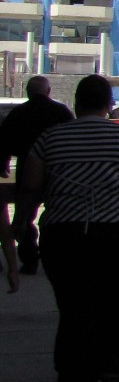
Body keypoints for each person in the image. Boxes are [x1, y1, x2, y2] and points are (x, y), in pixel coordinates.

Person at [16, 74, 119, 382]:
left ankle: (75, 379)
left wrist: (22, 223)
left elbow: (31, 184)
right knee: (115, 300)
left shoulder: (50, 138)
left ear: (76, 104)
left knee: (74, 305)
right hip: (116, 233)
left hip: (64, 233)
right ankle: (116, 366)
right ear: (109, 104)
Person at [0, 75, 74, 274]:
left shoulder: (19, 113)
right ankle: (60, 258)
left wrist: (4, 164)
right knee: (60, 214)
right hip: (58, 173)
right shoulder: (61, 112)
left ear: (28, 92)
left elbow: (4, 142)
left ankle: (30, 259)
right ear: (48, 91)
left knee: (24, 218)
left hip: (27, 171)